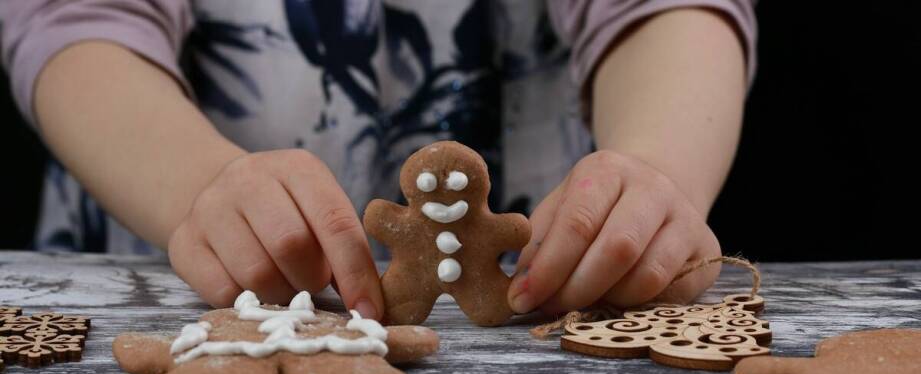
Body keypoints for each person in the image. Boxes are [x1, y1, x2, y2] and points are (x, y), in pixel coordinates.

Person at [0, 1, 756, 320]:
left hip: (554, 287)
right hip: (183, 248)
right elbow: (76, 22)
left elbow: (664, 11)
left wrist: (655, 169)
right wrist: (199, 187)